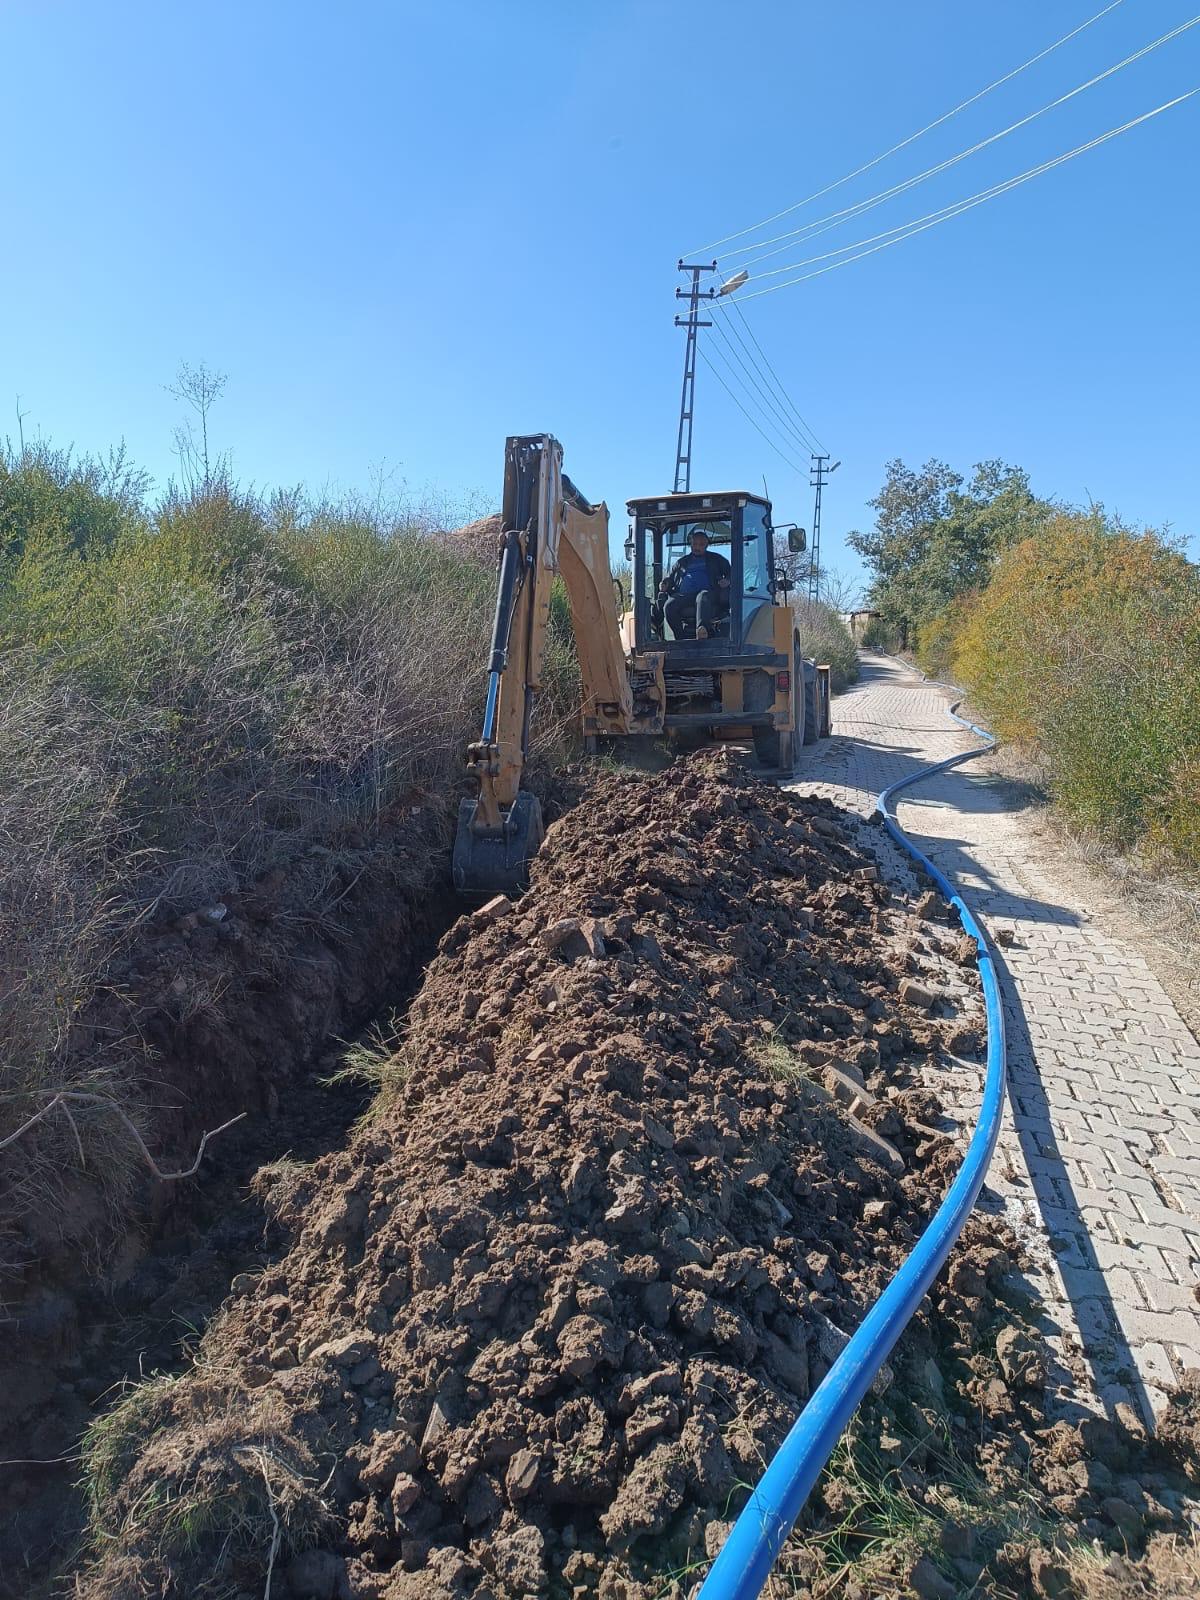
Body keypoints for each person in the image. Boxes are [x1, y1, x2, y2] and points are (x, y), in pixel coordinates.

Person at [658, 528, 732, 640]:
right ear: (691, 544)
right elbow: (671, 579)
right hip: (685, 595)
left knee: (702, 597)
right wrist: (665, 584)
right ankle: (680, 638)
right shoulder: (681, 563)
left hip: (709, 593)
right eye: (695, 544)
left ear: (707, 545)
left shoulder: (716, 559)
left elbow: (732, 573)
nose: (697, 547)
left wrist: (727, 580)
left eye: (701, 544)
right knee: (669, 605)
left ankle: (702, 631)